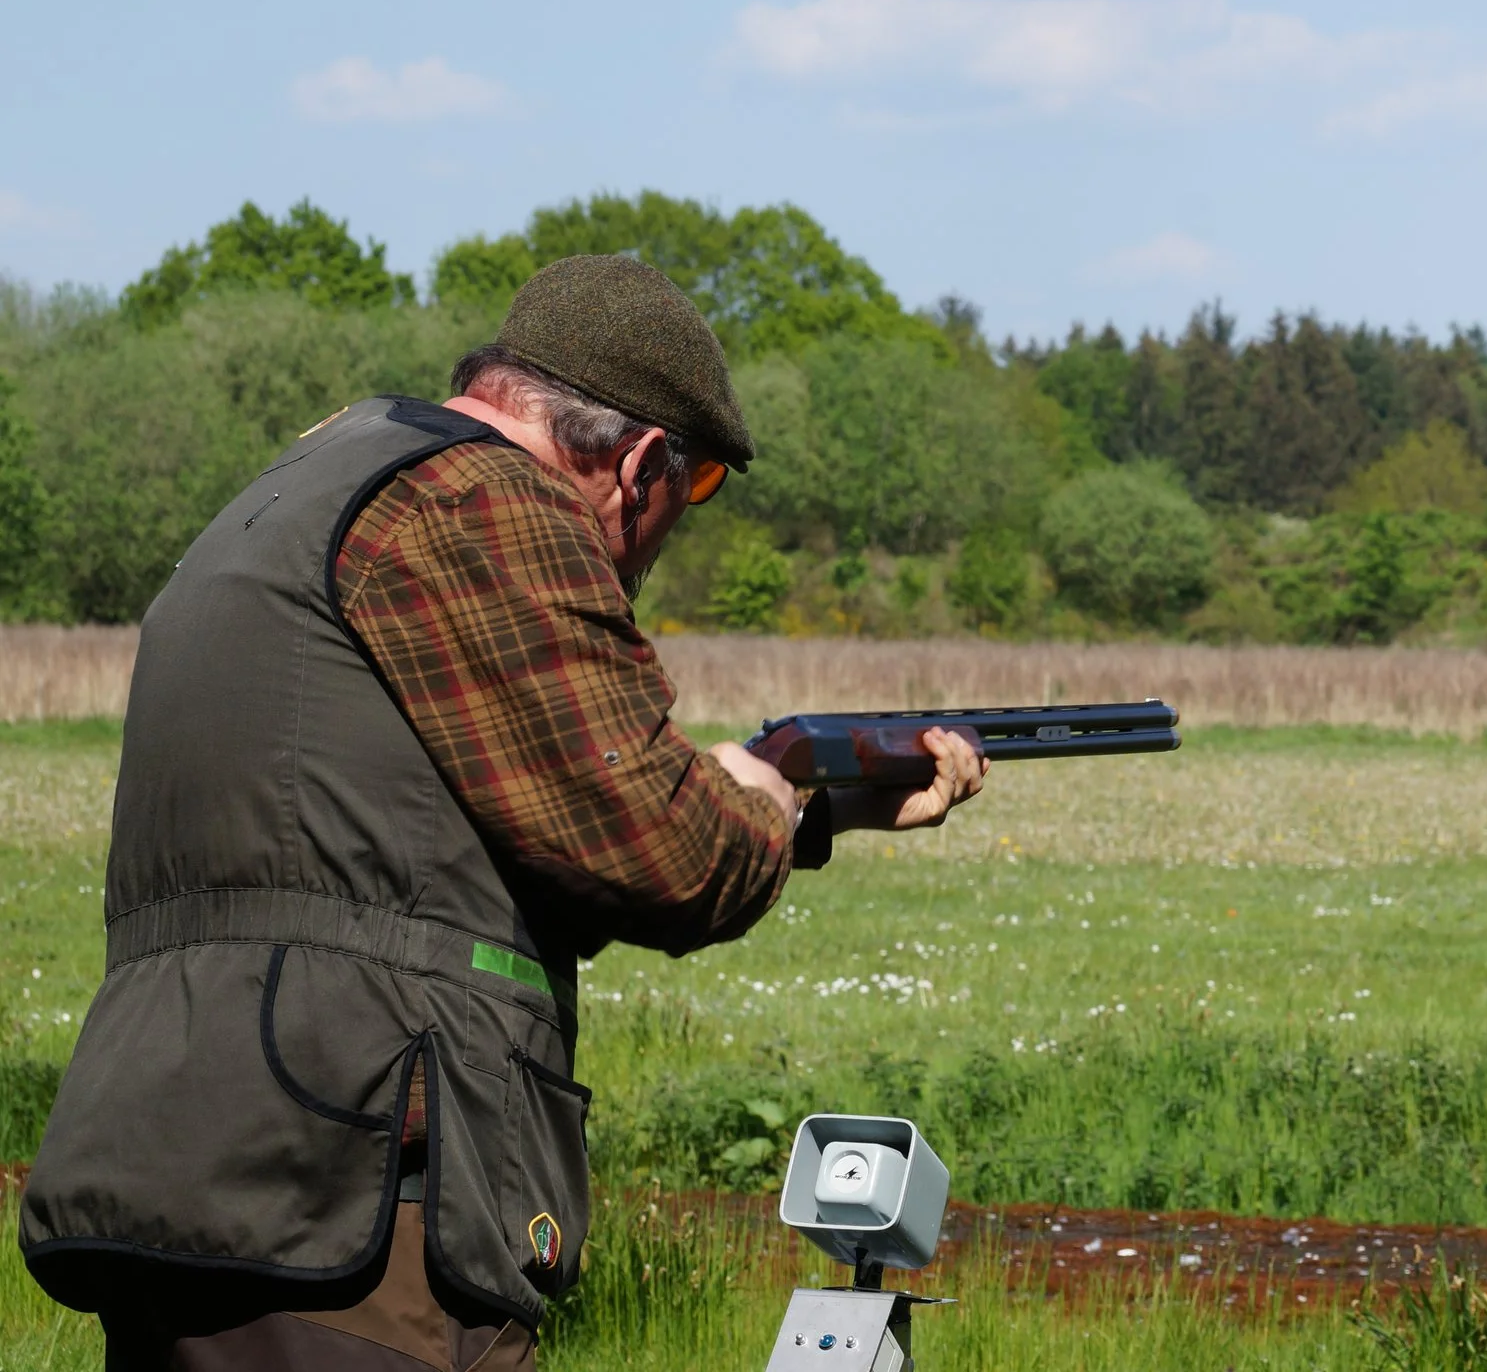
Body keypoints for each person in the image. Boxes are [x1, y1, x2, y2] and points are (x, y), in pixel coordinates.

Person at [18, 254, 985, 1371]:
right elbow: (667, 856)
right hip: (349, 1205)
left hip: (189, 1169)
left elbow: (428, 857)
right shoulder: (480, 499)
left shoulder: (309, 483)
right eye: (699, 487)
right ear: (642, 463)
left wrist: (809, 811)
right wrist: (757, 793)